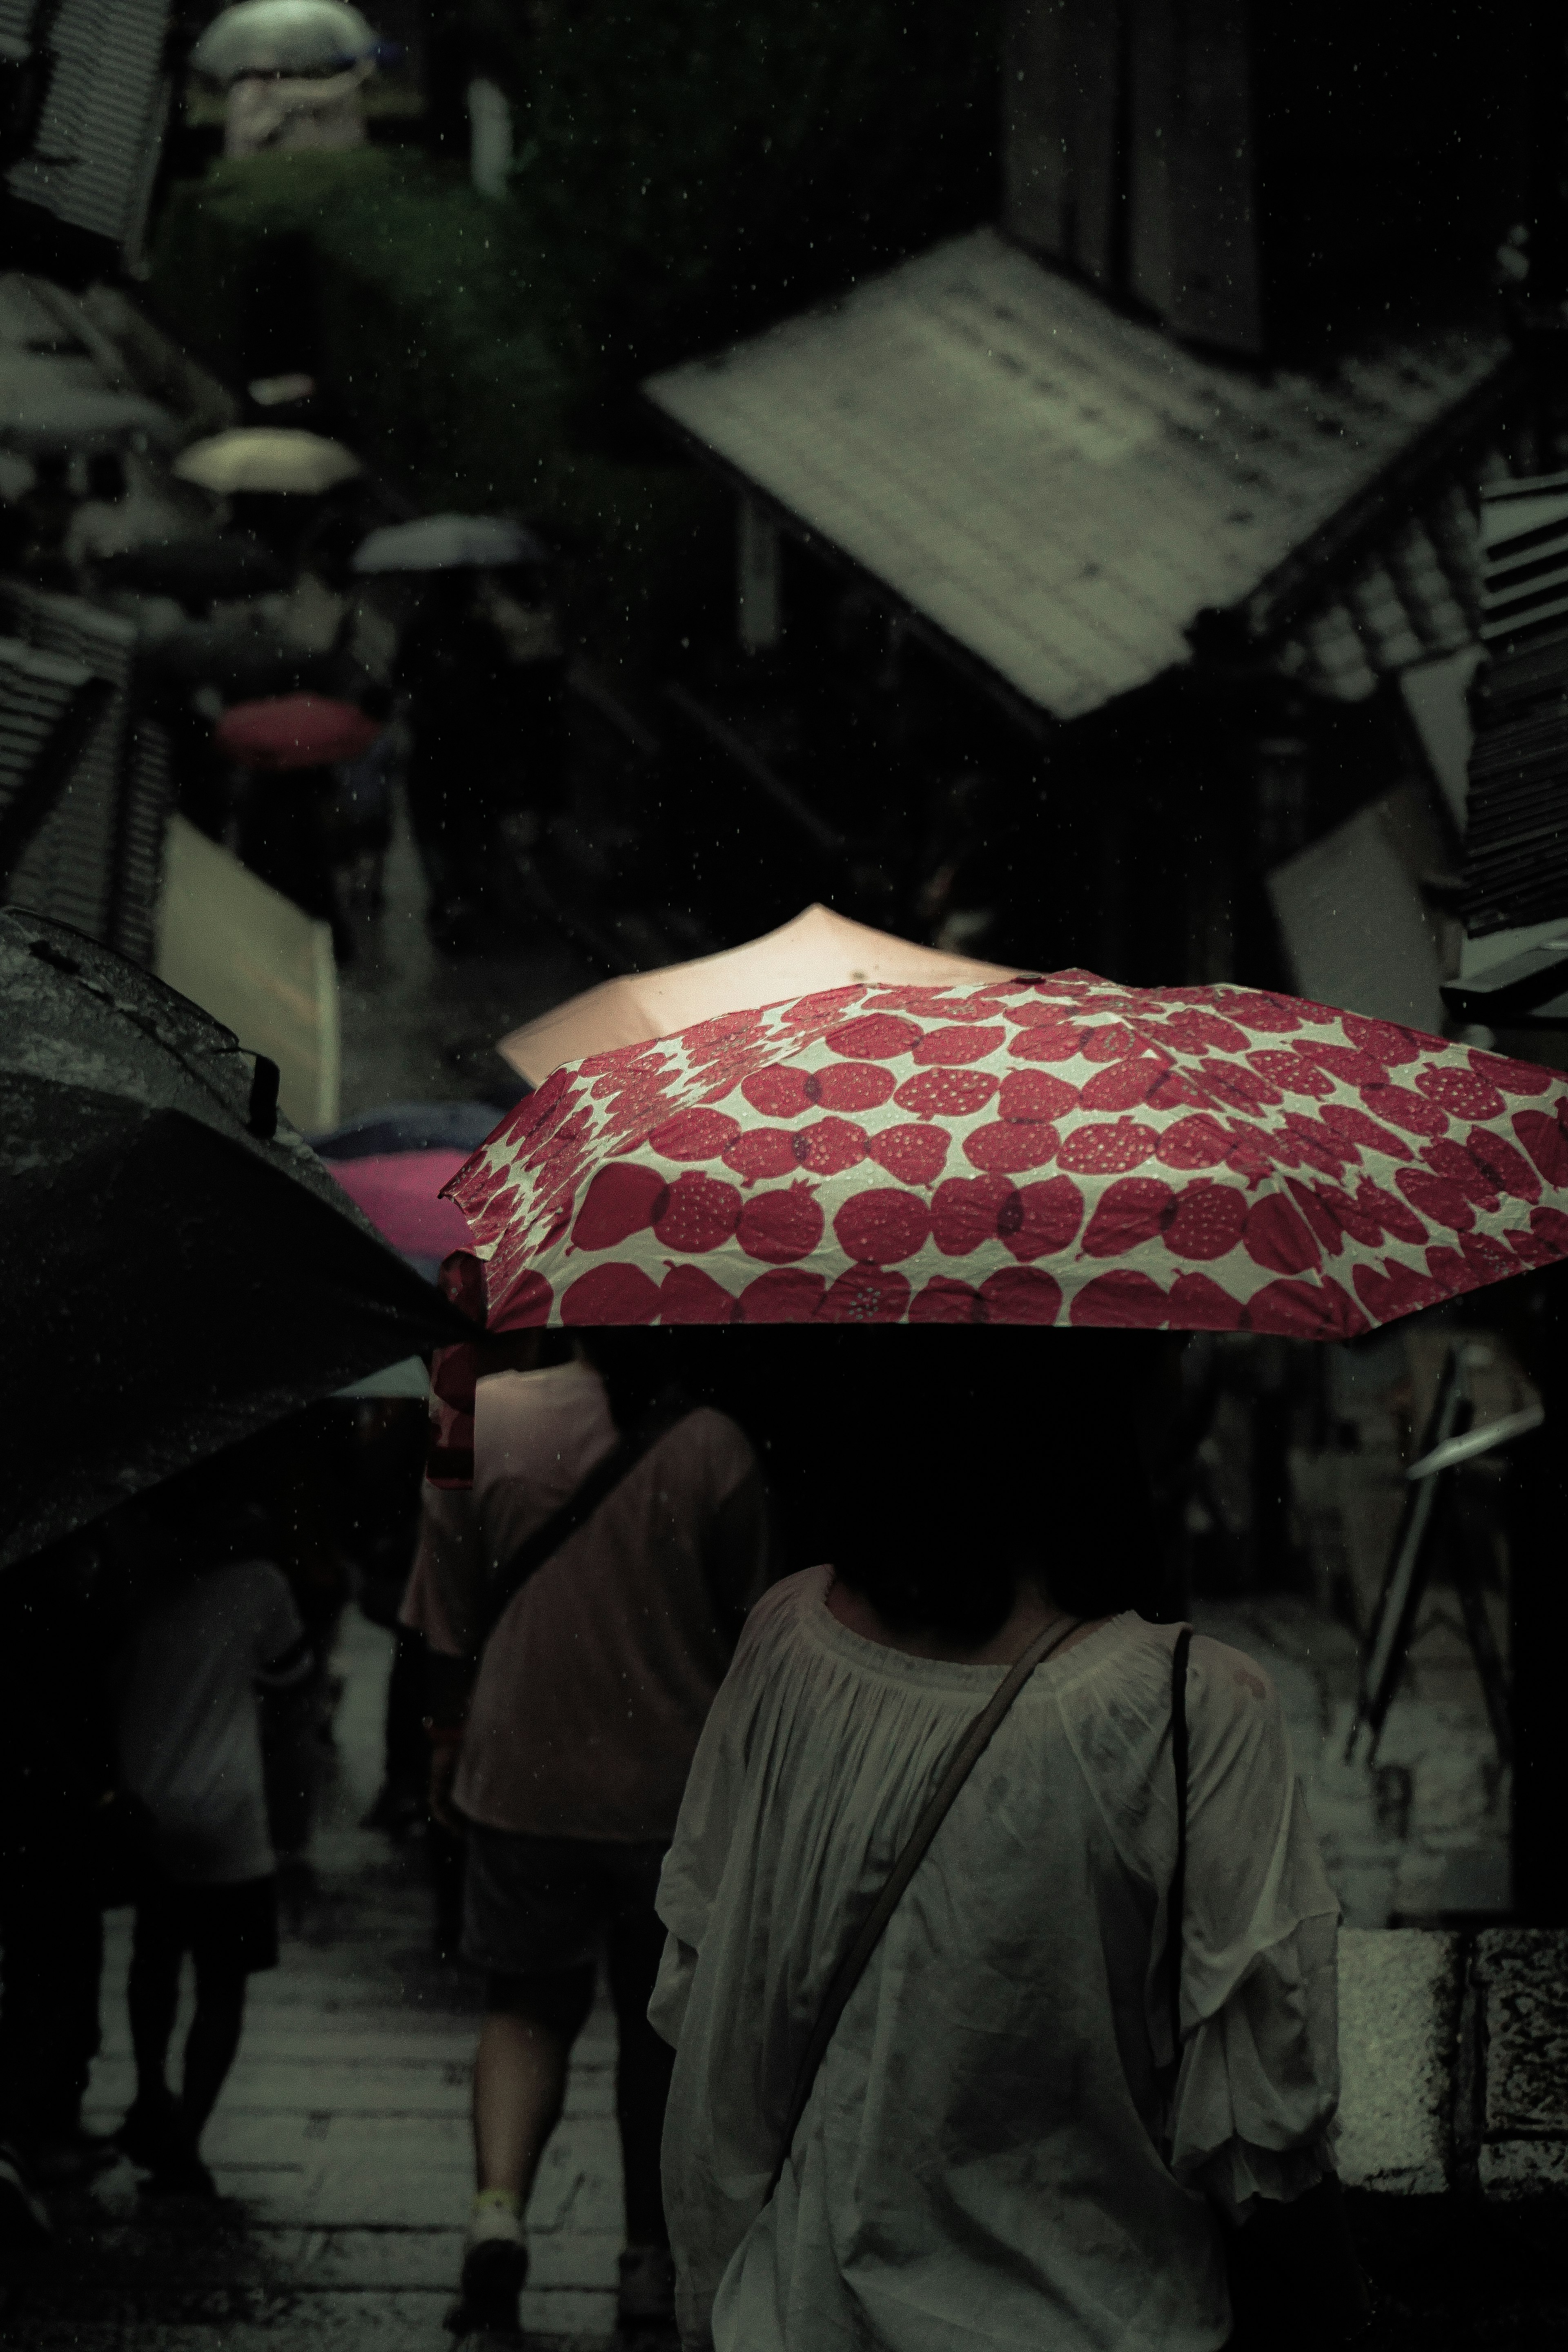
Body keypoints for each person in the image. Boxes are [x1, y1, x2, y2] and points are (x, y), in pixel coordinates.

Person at [649, 1340, 1369, 2352]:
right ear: (1108, 1404)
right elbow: (1266, 2139)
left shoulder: (785, 1641)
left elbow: (716, 2026)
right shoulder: (1192, 1710)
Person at [402, 1329, 774, 2348]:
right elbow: (754, 1624)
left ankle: (498, 2214)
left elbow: (445, 1604)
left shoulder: (487, 1418)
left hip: (521, 1770)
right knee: (659, 2034)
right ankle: (647, 2266)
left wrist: (444, 1741)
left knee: (524, 2007)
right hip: (673, 1797)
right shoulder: (717, 1446)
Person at [111, 1457, 312, 2197]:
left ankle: (149, 2087)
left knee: (153, 1959)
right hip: (230, 1813)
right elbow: (293, 1683)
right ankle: (187, 2139)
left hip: (145, 1803)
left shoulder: (131, 1573)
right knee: (221, 1985)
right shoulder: (259, 1584)